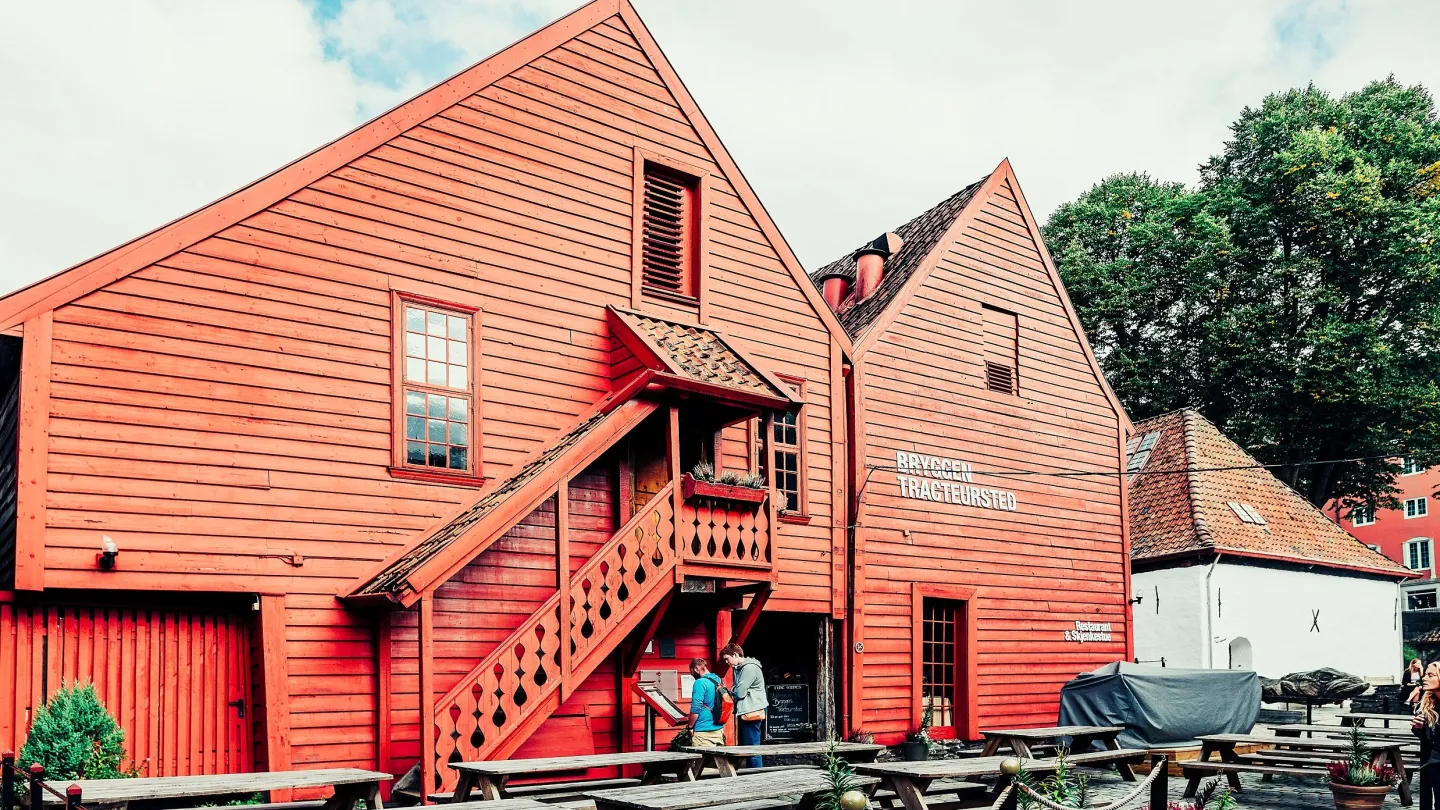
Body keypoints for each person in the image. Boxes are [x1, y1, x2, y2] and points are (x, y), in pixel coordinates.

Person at [722, 642, 768, 769]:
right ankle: (752, 773)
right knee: (749, 746)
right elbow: (736, 689)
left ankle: (755, 775)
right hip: (748, 710)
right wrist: (736, 689)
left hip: (751, 710)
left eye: (727, 658)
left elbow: (739, 693)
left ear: (735, 654)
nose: (727, 662)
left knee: (752, 747)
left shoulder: (748, 668)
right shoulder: (740, 668)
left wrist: (735, 690)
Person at [1412, 661, 1440, 810]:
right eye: (1425, 674)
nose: (1424, 678)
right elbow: (1427, 738)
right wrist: (1418, 727)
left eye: (1431, 675)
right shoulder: (1429, 704)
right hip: (1434, 762)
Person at [685, 658, 727, 747]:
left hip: (703, 730)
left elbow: (696, 708)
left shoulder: (699, 682)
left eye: (692, 672)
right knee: (716, 759)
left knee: (701, 760)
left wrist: (690, 727)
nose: (692, 675)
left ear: (696, 669)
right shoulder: (718, 680)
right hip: (718, 728)